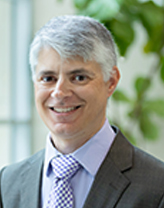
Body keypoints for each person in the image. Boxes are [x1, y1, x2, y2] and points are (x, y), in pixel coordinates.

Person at [1, 15, 164, 208]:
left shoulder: (158, 187)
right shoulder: (7, 184)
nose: (59, 92)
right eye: (48, 78)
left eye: (79, 77)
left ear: (111, 81)